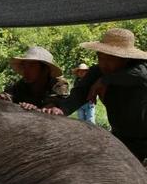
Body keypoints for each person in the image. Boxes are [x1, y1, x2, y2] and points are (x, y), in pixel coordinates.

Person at [42, 28, 147, 162]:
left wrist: (106, 80)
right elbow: (80, 93)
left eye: (110, 59)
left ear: (125, 59)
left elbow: (143, 76)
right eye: (100, 57)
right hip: (121, 137)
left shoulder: (139, 68)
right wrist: (62, 109)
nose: (104, 64)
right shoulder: (97, 72)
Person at [0, 46, 69, 110]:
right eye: (25, 66)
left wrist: (34, 110)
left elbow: (52, 107)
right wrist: (0, 97)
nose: (26, 71)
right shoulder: (22, 84)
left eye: (31, 66)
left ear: (45, 70)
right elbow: (9, 95)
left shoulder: (59, 84)